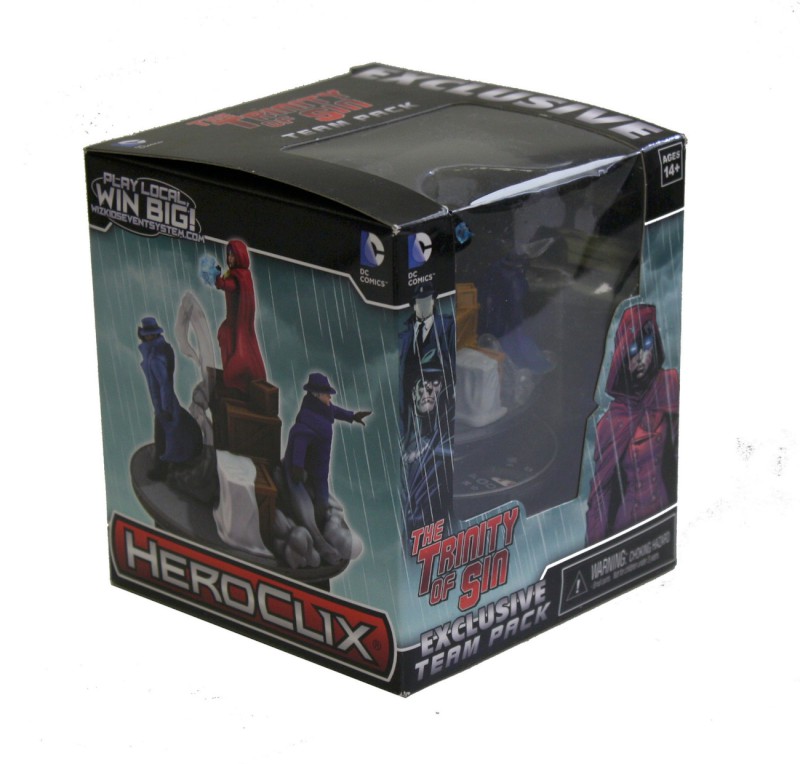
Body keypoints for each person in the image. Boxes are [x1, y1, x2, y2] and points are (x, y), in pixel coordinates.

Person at [585, 304, 679, 544]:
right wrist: (596, 547)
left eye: (647, 346)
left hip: (664, 515)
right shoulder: (614, 421)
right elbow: (600, 494)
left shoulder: (668, 388)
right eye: (633, 349)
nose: (641, 358)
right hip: (628, 525)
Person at [281, 373, 371, 562]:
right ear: (316, 395)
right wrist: (297, 465)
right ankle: (317, 541)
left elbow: (335, 411)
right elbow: (300, 438)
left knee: (322, 503)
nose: (330, 397)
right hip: (302, 470)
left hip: (320, 470)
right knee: (302, 503)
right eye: (326, 394)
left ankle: (324, 529)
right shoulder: (308, 417)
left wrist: (352, 416)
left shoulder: (324, 409)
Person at [137, 317, 203, 480]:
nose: (148, 337)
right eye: (147, 335)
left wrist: (164, 407)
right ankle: (171, 462)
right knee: (170, 431)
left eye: (150, 334)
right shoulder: (159, 350)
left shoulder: (156, 356)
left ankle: (162, 470)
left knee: (164, 435)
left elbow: (164, 383)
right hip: (162, 401)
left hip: (163, 402)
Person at [402, 365, 454, 534]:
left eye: (435, 383)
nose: (429, 389)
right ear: (413, 392)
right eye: (423, 384)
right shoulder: (404, 438)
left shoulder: (445, 442)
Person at [214, 239, 267, 394]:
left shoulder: (240, 276)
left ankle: (236, 383)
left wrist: (217, 278)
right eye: (228, 255)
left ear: (239, 256)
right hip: (231, 324)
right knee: (226, 344)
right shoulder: (237, 274)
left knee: (237, 355)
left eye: (233, 255)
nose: (230, 258)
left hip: (237, 326)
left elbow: (228, 286)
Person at [398, 284, 455, 421]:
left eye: (427, 300)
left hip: (439, 394)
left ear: (433, 302)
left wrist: (452, 388)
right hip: (412, 398)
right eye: (420, 302)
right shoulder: (404, 337)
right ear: (414, 306)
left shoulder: (447, 326)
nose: (424, 305)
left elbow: (452, 359)